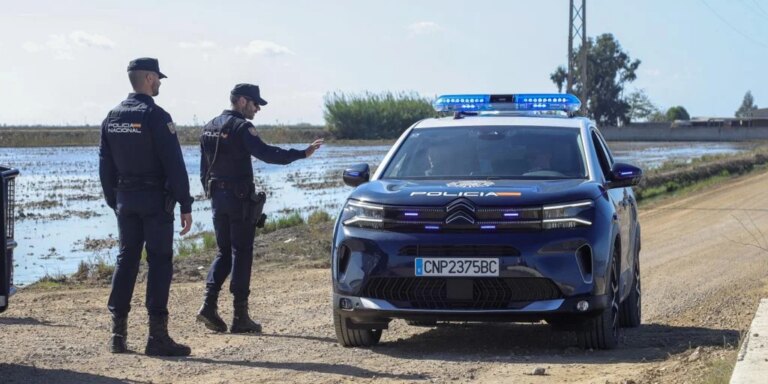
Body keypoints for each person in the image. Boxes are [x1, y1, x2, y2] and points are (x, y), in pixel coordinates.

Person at [197, 84, 323, 334]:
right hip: (238, 198)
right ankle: (240, 316)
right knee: (241, 252)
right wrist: (302, 153)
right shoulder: (242, 127)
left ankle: (209, 305)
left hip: (217, 197)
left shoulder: (209, 126)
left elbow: (204, 167)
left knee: (224, 252)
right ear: (242, 101)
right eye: (255, 104)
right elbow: (267, 153)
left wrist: (210, 192)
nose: (257, 109)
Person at [99, 57, 194, 356]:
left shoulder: (112, 117)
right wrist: (185, 203)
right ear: (149, 78)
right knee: (159, 262)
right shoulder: (156, 116)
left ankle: (118, 336)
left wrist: (114, 200)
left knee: (126, 259)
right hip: (155, 202)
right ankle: (157, 337)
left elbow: (105, 165)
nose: (160, 84)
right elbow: (174, 164)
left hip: (125, 200)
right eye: (158, 78)